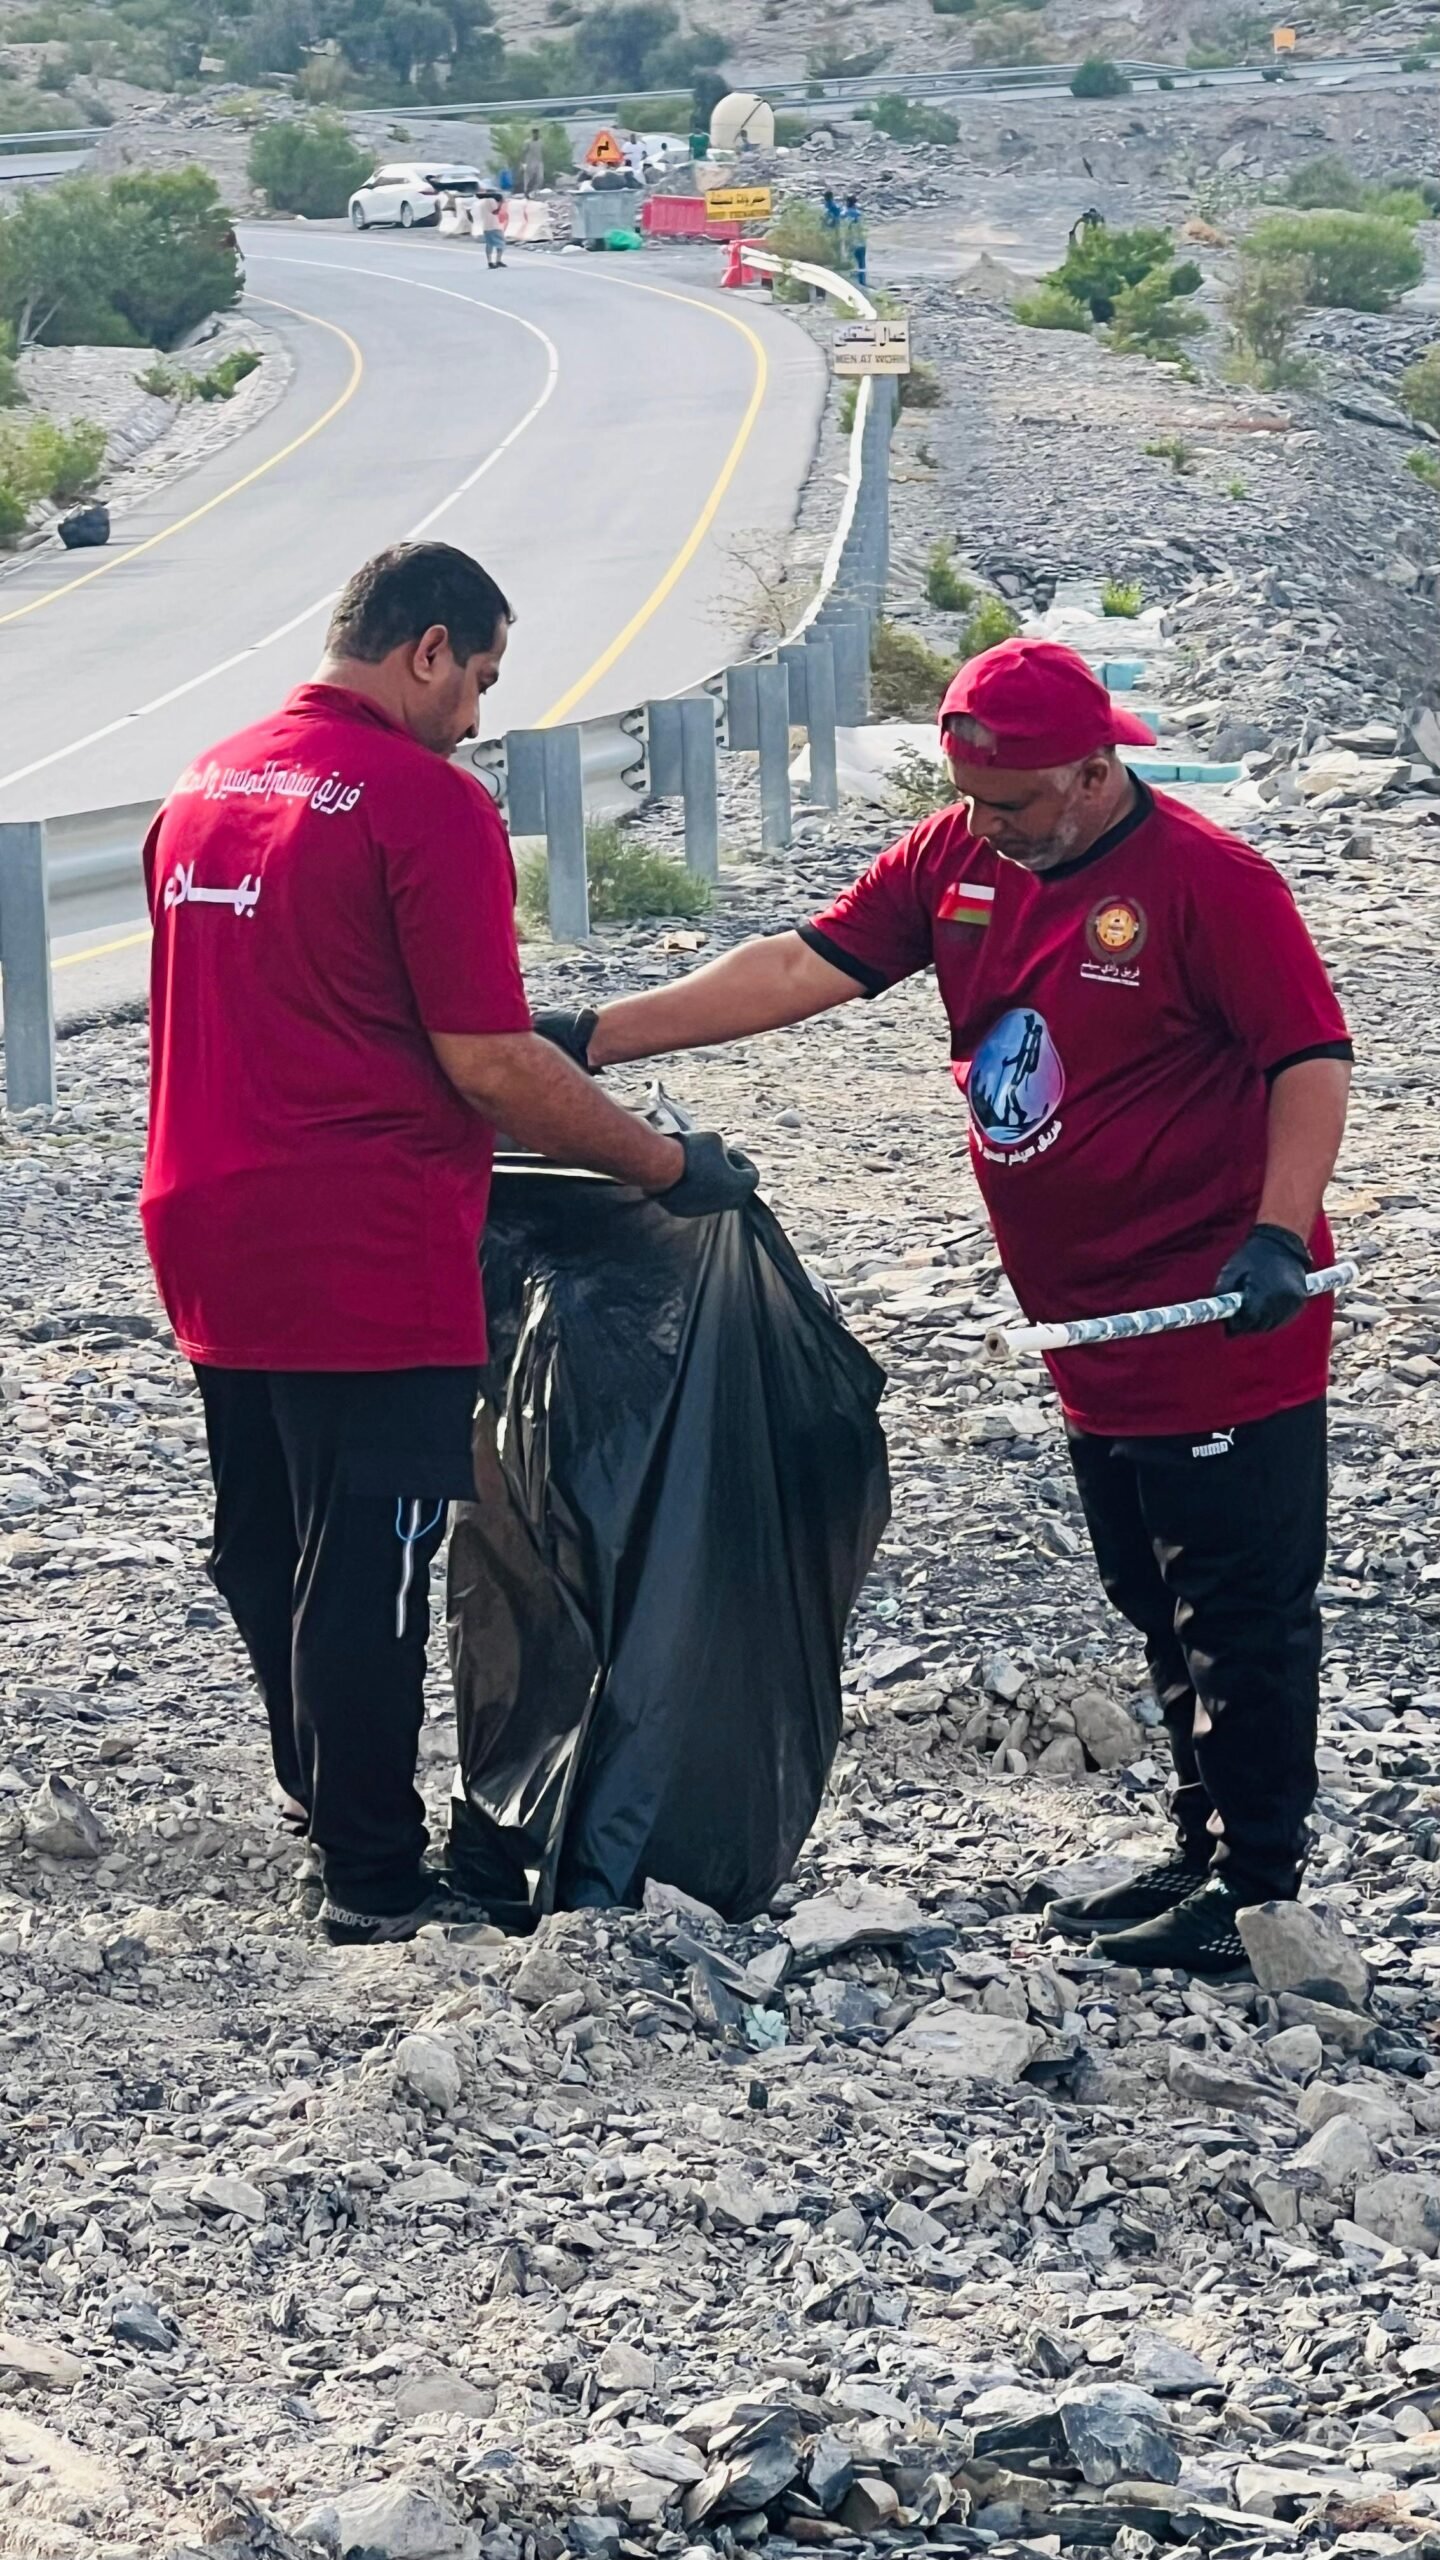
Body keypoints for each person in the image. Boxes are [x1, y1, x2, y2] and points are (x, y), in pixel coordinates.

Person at [534, 639, 1352, 1979]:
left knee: (1238, 1608)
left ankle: (1256, 1886)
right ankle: (1200, 1845)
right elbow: (801, 966)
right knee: (1150, 1592)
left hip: (1216, 1320)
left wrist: (1275, 1232)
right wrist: (592, 1035)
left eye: (1012, 802)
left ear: (1094, 771)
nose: (987, 824)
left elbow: (1308, 1058)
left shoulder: (1210, 883)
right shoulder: (957, 861)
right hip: (1088, 1327)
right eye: (970, 797)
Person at [140, 542, 756, 1950]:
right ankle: (371, 1876)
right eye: (476, 677)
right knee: (370, 1555)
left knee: (268, 1535)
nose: (476, 715)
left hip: (205, 1218)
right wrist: (667, 1167)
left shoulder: (208, 782)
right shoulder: (422, 801)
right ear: (425, 648)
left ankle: (319, 1794)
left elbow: (307, 995)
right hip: (361, 1240)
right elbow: (486, 1064)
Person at [476, 186, 506, 268]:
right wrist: (501, 203)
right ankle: (498, 260)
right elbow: (495, 211)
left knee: (489, 244)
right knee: (501, 243)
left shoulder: (482, 202)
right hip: (494, 225)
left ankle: (490, 262)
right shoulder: (491, 200)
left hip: (486, 226)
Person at [841, 193, 867, 287]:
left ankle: (852, 283)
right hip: (861, 241)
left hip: (850, 241)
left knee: (851, 261)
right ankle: (862, 282)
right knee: (861, 263)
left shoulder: (844, 214)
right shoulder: (859, 214)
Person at [521, 128, 545, 196]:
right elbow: (523, 152)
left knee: (540, 178)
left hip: (539, 162)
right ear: (532, 134)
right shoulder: (527, 142)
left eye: (537, 133)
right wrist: (522, 164)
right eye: (534, 133)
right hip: (529, 162)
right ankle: (526, 192)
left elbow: (543, 151)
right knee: (528, 179)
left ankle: (535, 192)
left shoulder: (540, 142)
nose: (536, 135)